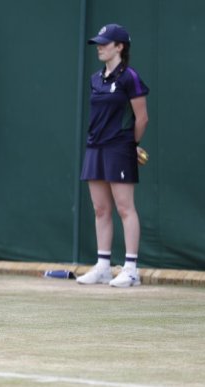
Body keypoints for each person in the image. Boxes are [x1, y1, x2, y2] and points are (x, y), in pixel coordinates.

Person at [76, 24, 149, 288]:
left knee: (124, 207)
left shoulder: (130, 77)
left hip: (119, 147)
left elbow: (142, 117)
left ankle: (131, 269)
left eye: (105, 43)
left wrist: (132, 143)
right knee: (100, 208)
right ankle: (103, 267)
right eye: (99, 42)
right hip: (94, 147)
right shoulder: (95, 79)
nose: (100, 47)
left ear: (120, 47)